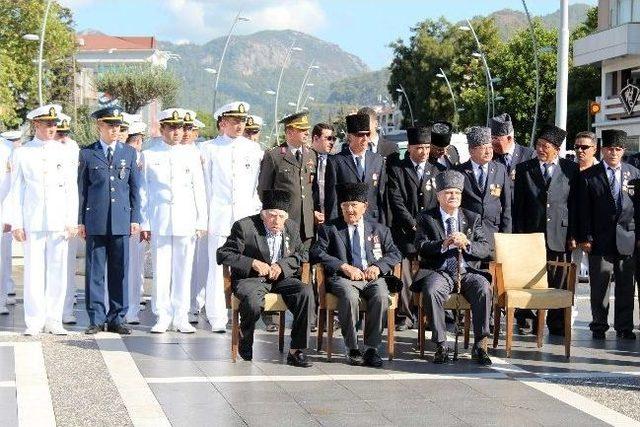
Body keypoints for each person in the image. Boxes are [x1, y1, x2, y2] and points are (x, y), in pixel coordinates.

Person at [217, 189, 313, 366]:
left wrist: (282, 266)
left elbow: (303, 254)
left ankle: (296, 350)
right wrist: (252, 262)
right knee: (253, 302)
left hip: (282, 278)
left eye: (281, 217)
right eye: (272, 215)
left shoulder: (291, 227)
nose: (276, 221)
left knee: (305, 292)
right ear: (263, 215)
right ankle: (245, 339)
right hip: (252, 279)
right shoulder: (244, 227)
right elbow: (223, 254)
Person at [310, 182, 401, 367]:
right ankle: (352, 347)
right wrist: (343, 266)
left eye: (354, 205)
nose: (350, 210)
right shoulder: (330, 229)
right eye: (345, 206)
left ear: (365, 207)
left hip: (372, 278)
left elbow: (395, 253)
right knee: (349, 296)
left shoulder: (379, 230)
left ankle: (371, 348)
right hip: (344, 279)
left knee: (382, 296)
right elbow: (316, 252)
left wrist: (378, 267)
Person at [6, 104, 79, 335]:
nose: (52, 128)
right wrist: (17, 222)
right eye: (47, 123)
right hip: (34, 220)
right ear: (35, 124)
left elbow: (71, 189)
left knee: (58, 271)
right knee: (34, 272)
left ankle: (54, 319)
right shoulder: (22, 152)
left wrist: (71, 219)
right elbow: (16, 190)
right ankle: (35, 320)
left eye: (54, 124)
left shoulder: (65, 151)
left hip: (58, 220)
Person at [411, 170, 493, 365]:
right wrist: (443, 244)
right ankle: (441, 344)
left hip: (467, 271)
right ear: (439, 195)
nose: (453, 196)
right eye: (448, 192)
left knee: (483, 288)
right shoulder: (426, 218)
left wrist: (467, 244)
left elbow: (485, 248)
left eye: (457, 193)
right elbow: (420, 246)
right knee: (431, 290)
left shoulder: (472, 218)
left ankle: (480, 344)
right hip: (440, 271)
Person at [139, 108, 207, 334]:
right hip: (160, 219)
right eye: (172, 128)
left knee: (183, 269)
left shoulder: (192, 154)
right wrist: (145, 222)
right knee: (161, 270)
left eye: (180, 128)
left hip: (186, 219)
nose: (177, 132)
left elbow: (199, 188)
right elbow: (144, 192)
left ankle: (181, 315)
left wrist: (201, 221)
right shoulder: (149, 155)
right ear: (162, 129)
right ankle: (162, 315)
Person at [78, 105, 141, 335]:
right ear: (99, 126)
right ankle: (96, 318)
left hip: (121, 220)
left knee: (119, 271)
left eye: (118, 126)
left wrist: (135, 218)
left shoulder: (128, 153)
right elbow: (82, 190)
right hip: (95, 220)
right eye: (110, 125)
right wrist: (80, 221)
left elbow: (135, 189)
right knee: (95, 272)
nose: (115, 130)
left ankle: (117, 317)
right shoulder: (87, 153)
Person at [200, 101, 263, 332]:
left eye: (243, 121)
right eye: (235, 121)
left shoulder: (254, 149)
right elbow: (205, 186)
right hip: (219, 216)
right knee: (216, 268)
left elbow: (256, 185)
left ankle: (248, 314)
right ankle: (217, 317)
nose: (240, 125)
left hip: (246, 217)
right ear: (223, 122)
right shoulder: (208, 149)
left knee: (247, 267)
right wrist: (204, 218)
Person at [513, 124, 578, 336]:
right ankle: (527, 320)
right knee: (530, 279)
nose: (540, 149)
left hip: (560, 234)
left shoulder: (570, 169)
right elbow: (519, 206)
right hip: (532, 235)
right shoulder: (525, 169)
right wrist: (520, 237)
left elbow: (575, 205)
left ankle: (557, 322)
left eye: (545, 146)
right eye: (538, 145)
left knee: (559, 279)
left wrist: (573, 235)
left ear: (557, 149)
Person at [578, 129, 638, 340]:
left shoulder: (634, 173)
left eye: (618, 149)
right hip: (599, 239)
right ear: (602, 150)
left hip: (627, 238)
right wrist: (585, 237)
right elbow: (583, 210)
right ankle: (599, 325)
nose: (614, 153)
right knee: (600, 286)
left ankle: (624, 327)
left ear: (623, 151)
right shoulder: (588, 176)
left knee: (625, 286)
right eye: (610, 148)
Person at [386, 126, 439, 330]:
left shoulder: (436, 170)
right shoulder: (398, 170)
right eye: (419, 148)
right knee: (405, 272)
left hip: (430, 233)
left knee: (431, 272)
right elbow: (396, 201)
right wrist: (413, 223)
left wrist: (427, 225)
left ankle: (427, 314)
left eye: (426, 147)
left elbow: (439, 202)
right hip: (405, 232)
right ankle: (406, 315)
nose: (423, 152)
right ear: (409, 148)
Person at [258, 111, 316, 248]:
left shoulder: (311, 155)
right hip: (284, 220)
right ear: (289, 132)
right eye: (302, 130)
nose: (307, 133)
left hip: (306, 222)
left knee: (304, 262)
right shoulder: (274, 155)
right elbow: (264, 191)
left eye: (307, 129)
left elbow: (311, 189)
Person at [455, 126, 511, 254]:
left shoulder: (500, 169)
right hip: (469, 233)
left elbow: (507, 206)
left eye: (490, 147)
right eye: (483, 148)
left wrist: (506, 236)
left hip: (494, 232)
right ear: (471, 151)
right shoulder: (460, 172)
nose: (488, 151)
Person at [324, 114, 387, 224]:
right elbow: (332, 199)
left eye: (367, 134)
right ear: (350, 136)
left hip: (372, 221)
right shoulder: (336, 161)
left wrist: (382, 225)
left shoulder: (377, 160)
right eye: (360, 135)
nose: (365, 139)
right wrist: (332, 227)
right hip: (345, 222)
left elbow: (381, 196)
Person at [54, 113, 82, 325]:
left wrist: (77, 220)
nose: (62, 137)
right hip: (46, 218)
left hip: (69, 217)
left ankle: (66, 309)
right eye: (59, 133)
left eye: (65, 133)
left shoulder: (73, 149)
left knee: (66, 266)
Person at [124, 120, 148, 325]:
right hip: (119, 218)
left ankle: (131, 309)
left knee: (134, 265)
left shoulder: (143, 159)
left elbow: (143, 193)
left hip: (135, 219)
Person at [572, 131, 599, 283]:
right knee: (570, 276)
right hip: (573, 232)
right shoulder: (569, 170)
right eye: (577, 147)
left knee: (599, 279)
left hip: (596, 234)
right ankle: (571, 306)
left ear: (594, 149)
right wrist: (572, 233)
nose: (579, 151)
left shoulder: (602, 171)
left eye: (584, 147)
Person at [0, 130, 22, 309]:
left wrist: (9, 214)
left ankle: (0, 299)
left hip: (1, 210)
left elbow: (12, 185)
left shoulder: (7, 149)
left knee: (2, 257)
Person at [490, 113, 536, 181]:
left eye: (496, 139)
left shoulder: (529, 155)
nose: (492, 142)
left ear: (509, 139)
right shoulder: (490, 158)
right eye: (491, 138)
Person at [310, 122, 335, 223]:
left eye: (333, 139)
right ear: (316, 138)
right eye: (328, 138)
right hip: (309, 217)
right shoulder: (304, 159)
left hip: (330, 219)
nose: (332, 142)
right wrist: (311, 212)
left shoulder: (335, 161)